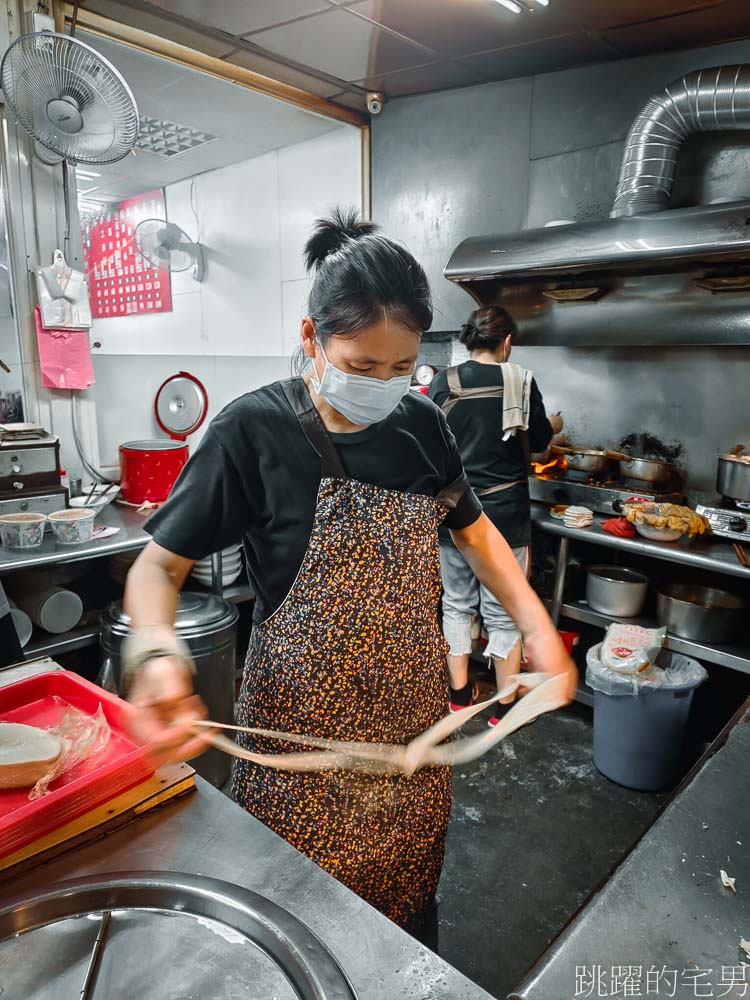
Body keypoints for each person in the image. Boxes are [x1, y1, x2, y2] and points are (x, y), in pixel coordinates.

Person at [123, 210, 576, 939]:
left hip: (409, 739)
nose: (383, 385)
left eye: (400, 368)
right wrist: (155, 653)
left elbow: (479, 535)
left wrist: (536, 626)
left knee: (403, 927)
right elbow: (158, 567)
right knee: (298, 930)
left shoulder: (421, 424)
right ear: (313, 338)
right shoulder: (253, 431)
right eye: (363, 366)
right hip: (296, 746)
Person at [428, 306, 563, 724]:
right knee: (504, 611)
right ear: (506, 342)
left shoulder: (442, 382)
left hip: (454, 513)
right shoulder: (520, 381)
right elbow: (540, 445)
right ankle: (503, 708)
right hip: (505, 516)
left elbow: (429, 446)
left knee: (455, 604)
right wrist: (553, 425)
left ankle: (459, 696)